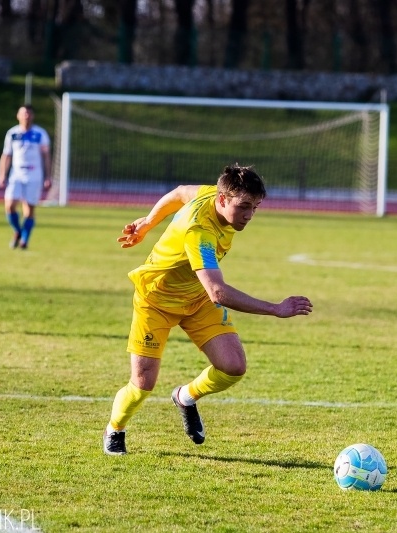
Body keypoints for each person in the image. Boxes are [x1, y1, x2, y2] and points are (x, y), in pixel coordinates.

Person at [103, 165, 313, 456]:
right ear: (223, 200)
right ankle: (115, 428)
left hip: (197, 298)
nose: (249, 215)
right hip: (156, 301)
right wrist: (275, 309)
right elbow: (218, 292)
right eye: (244, 207)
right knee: (143, 384)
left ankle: (185, 397)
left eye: (255, 207)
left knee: (233, 366)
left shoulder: (210, 193)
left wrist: (149, 223)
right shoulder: (199, 231)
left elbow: (180, 193)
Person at [0, 105, 51, 250]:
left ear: (33, 116)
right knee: (9, 205)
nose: (26, 116)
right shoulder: (12, 133)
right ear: (18, 116)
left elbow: (46, 156)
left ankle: (24, 240)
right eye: (23, 113)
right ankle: (18, 231)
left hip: (34, 174)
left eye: (29, 113)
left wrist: (48, 176)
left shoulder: (40, 134)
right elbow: (6, 155)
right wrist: (2, 174)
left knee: (29, 208)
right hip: (16, 174)